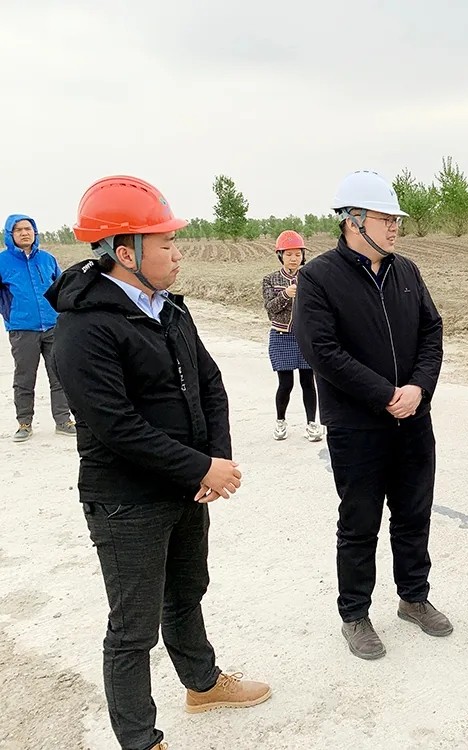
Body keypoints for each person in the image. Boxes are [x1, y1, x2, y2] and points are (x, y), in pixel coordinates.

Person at [48, 175, 270, 750]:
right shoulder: (83, 328)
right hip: (126, 502)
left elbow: (210, 381)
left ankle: (202, 684)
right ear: (127, 253)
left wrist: (215, 456)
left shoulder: (169, 309)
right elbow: (116, 426)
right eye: (166, 243)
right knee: (132, 629)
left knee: (187, 591)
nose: (177, 252)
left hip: (185, 487)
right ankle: (140, 740)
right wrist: (198, 468)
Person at [295, 170, 451, 661]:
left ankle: (414, 598)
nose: (395, 227)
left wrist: (418, 387)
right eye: (386, 219)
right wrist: (384, 394)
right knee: (359, 523)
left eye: (396, 220)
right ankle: (355, 614)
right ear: (353, 220)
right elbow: (322, 351)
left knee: (413, 515)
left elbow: (431, 331)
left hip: (413, 419)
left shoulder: (406, 272)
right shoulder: (319, 277)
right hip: (357, 426)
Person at [0, 213, 74, 441]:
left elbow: (62, 288)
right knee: (24, 378)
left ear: (35, 232)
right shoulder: (3, 262)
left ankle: (63, 420)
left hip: (53, 326)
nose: (24, 233)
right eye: (18, 230)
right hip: (22, 329)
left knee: (59, 375)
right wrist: (10, 313)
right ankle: (24, 423)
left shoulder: (47, 259)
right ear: (10, 234)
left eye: (28, 229)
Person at [261, 229, 321, 442]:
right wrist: (286, 295)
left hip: (305, 337)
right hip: (281, 337)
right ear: (280, 255)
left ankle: (312, 423)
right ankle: (280, 421)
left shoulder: (310, 277)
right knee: (286, 383)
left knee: (308, 382)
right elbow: (270, 309)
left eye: (298, 254)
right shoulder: (270, 279)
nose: (294, 258)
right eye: (288, 254)